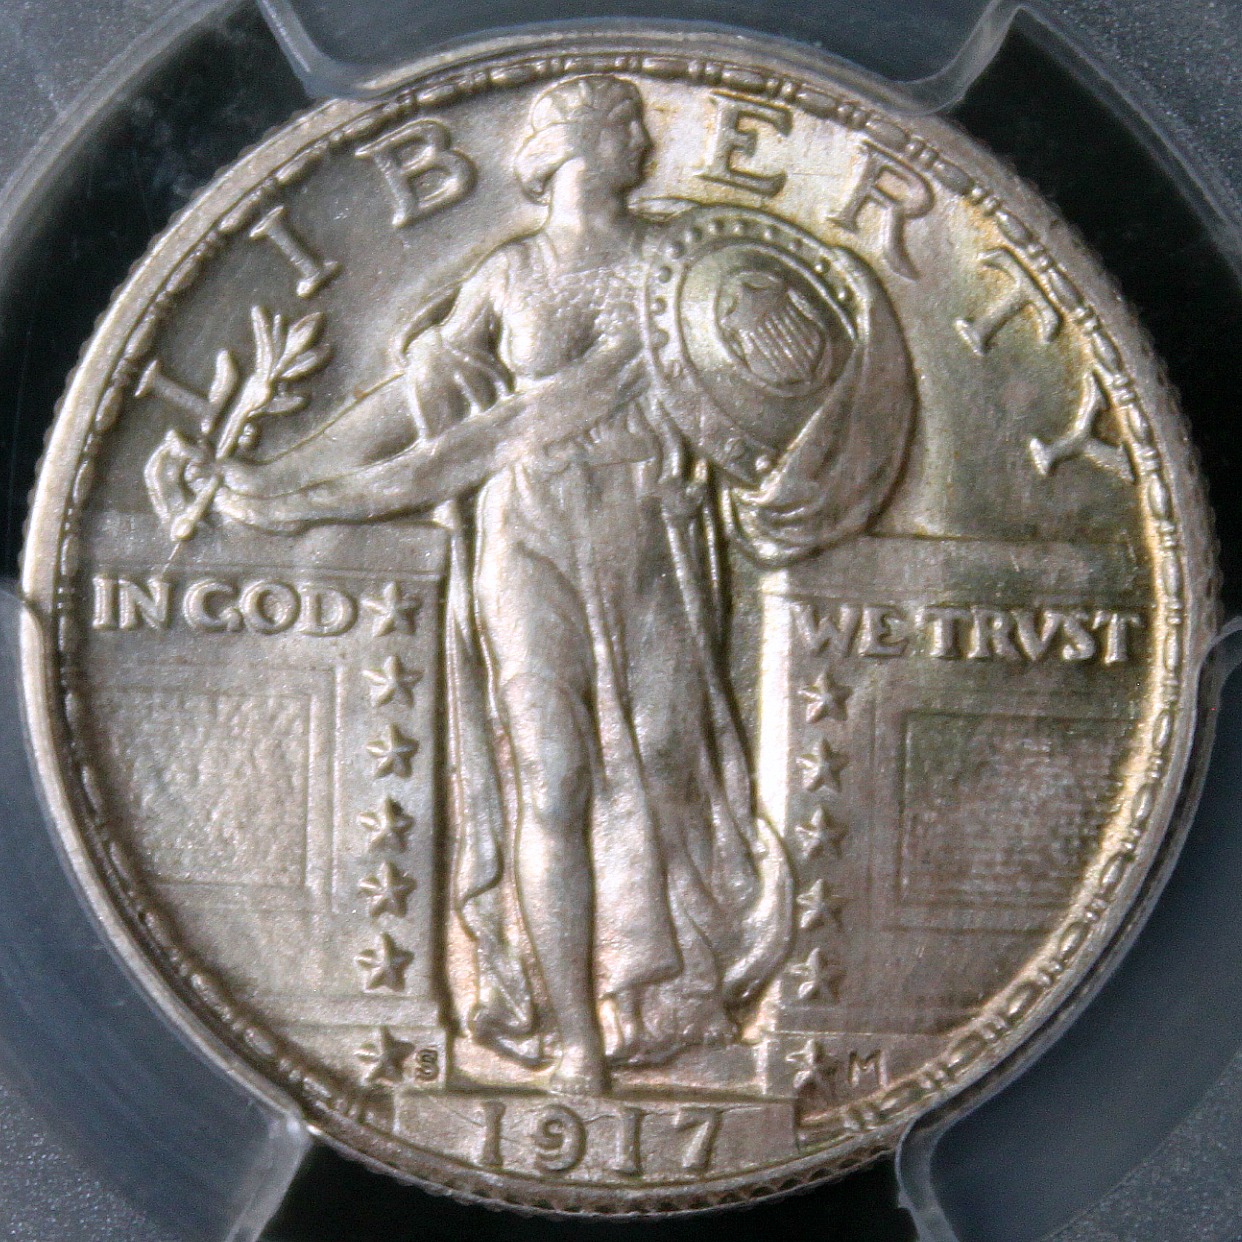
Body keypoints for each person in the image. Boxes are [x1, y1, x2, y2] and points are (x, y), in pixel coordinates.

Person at [214, 74, 915, 1095]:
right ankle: (573, 1036)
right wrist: (291, 478)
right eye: (626, 129)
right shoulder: (509, 274)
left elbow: (773, 380)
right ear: (576, 147)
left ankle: (667, 1001)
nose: (645, 141)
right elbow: (410, 410)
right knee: (549, 777)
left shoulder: (683, 263)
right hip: (526, 532)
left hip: (653, 535)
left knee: (668, 763)